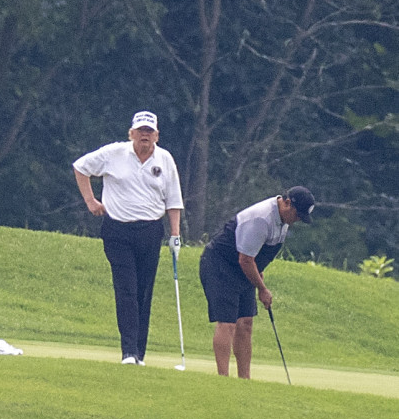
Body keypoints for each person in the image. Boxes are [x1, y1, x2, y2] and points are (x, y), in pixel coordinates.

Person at [73, 111, 184, 365]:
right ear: (131, 133)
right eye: (140, 131)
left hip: (150, 232)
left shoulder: (164, 159)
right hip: (118, 231)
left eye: (149, 131)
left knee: (144, 291)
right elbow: (80, 167)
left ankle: (139, 353)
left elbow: (173, 200)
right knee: (126, 289)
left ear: (156, 135)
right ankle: (129, 352)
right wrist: (91, 201)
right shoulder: (114, 153)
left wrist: (175, 234)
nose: (145, 135)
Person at [199, 187, 315, 379]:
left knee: (245, 322)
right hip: (220, 265)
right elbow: (245, 259)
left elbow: (257, 257)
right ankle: (222, 378)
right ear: (287, 203)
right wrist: (262, 289)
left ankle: (245, 379)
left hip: (242, 268)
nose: (297, 220)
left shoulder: (284, 221)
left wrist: (259, 276)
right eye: (297, 214)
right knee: (227, 322)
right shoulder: (262, 218)